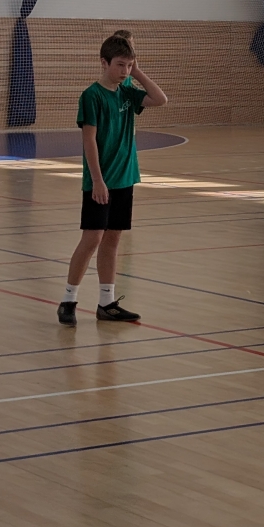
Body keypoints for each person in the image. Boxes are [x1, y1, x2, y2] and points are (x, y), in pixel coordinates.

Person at [57, 35, 167, 326]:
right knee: (92, 238)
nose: (125, 71)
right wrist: (97, 180)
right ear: (104, 63)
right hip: (101, 181)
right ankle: (68, 300)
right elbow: (89, 141)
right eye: (120, 65)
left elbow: (160, 99)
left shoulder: (128, 91)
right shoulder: (91, 96)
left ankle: (106, 302)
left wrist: (137, 72)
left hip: (124, 178)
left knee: (113, 239)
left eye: (129, 65)